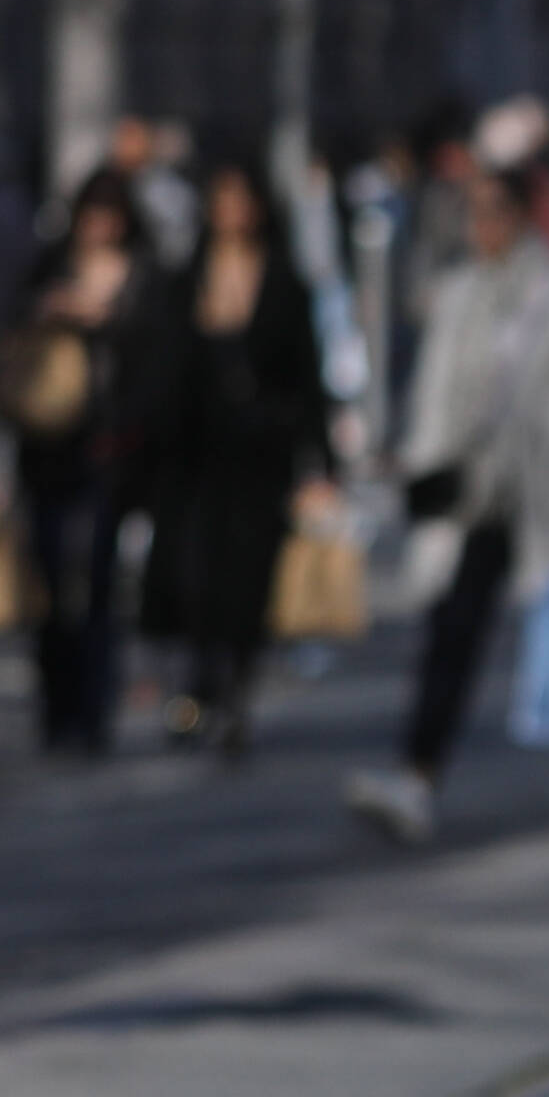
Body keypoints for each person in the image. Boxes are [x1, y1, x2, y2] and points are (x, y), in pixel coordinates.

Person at [353, 117, 549, 848]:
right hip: (479, 498)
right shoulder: (459, 295)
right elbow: (439, 396)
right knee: (452, 635)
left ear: (522, 217)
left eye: (493, 212)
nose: (480, 226)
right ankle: (417, 774)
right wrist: (417, 463)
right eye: (473, 212)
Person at [132, 175, 338, 755]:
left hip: (261, 454)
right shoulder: (187, 279)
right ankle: (201, 680)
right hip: (196, 453)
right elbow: (165, 365)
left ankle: (236, 691)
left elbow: (307, 373)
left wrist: (321, 460)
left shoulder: (284, 282)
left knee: (249, 580)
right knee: (196, 572)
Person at [0, 178, 149, 756]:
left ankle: (95, 706)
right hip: (48, 447)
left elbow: (151, 349)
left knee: (101, 582)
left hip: (107, 449)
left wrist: (103, 319)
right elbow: (7, 332)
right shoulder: (49, 269)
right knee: (50, 580)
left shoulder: (140, 275)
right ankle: (57, 705)